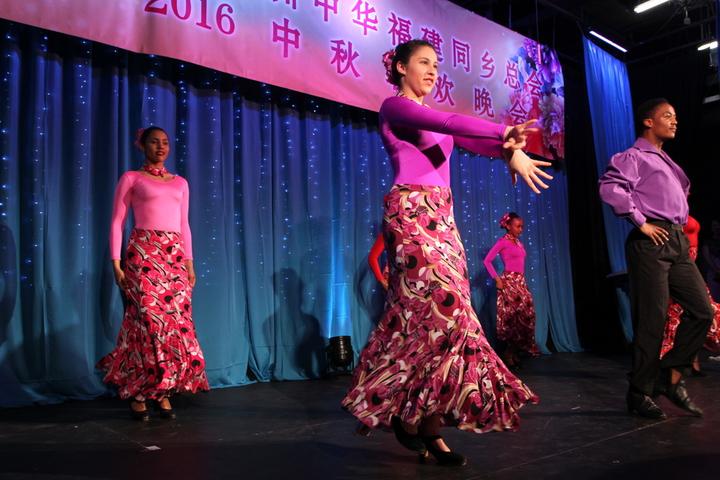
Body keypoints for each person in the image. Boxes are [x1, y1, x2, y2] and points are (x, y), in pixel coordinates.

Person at [341, 39, 551, 467]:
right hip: (411, 211)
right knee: (440, 310)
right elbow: (451, 120)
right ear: (401, 67)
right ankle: (405, 411)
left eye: (436, 65)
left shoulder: (433, 121)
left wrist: (510, 150)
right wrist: (503, 133)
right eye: (424, 62)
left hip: (443, 216)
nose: (433, 71)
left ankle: (429, 427)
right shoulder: (395, 107)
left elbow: (472, 140)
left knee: (449, 324)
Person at [598, 98, 713, 420]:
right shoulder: (634, 156)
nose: (674, 121)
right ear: (648, 122)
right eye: (667, 116)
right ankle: (639, 393)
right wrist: (641, 222)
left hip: (676, 240)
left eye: (675, 116)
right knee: (653, 319)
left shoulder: (665, 160)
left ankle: (671, 374)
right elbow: (610, 187)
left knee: (703, 311)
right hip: (652, 240)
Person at [98, 126, 209, 421]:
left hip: (174, 255)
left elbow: (184, 224)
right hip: (143, 253)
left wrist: (190, 263)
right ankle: (138, 391)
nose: (161, 147)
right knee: (147, 321)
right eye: (154, 142)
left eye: (165, 143)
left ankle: (161, 390)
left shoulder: (181, 183)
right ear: (142, 145)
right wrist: (116, 262)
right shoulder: (131, 178)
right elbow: (117, 221)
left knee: (175, 323)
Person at [661, 216, 720, 371]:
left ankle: (691, 362)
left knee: (701, 312)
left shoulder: (682, 209)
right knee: (680, 313)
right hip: (679, 261)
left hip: (689, 263)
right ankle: (678, 364)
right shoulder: (668, 213)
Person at [483, 212, 540, 368]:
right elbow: (487, 261)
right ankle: (509, 353)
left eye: (522, 226)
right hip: (509, 282)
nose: (521, 229)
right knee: (513, 318)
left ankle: (512, 351)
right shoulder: (503, 242)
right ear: (508, 226)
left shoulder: (519, 243)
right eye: (518, 226)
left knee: (527, 315)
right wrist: (497, 279)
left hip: (520, 281)